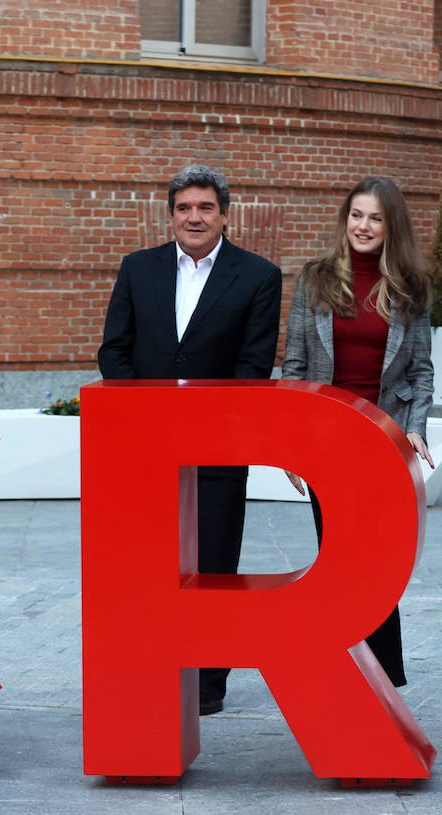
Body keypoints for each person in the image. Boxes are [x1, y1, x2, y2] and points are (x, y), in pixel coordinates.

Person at [97, 164, 283, 716]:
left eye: (205, 207)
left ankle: (207, 681)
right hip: (148, 447)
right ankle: (156, 662)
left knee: (215, 562)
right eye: (184, 208)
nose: (194, 217)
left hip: (219, 446)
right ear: (171, 214)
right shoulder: (139, 269)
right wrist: (146, 418)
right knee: (150, 561)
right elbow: (114, 352)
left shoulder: (257, 276)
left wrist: (203, 423)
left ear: (224, 213)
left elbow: (253, 368)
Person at [280, 175, 434, 687]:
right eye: (356, 215)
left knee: (374, 564)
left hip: (381, 442)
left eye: (374, 218)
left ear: (391, 227)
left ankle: (385, 677)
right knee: (334, 560)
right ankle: (340, 671)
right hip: (327, 443)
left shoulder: (411, 286)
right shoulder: (315, 279)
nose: (363, 226)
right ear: (344, 219)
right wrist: (292, 445)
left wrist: (415, 428)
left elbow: (420, 370)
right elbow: (296, 364)